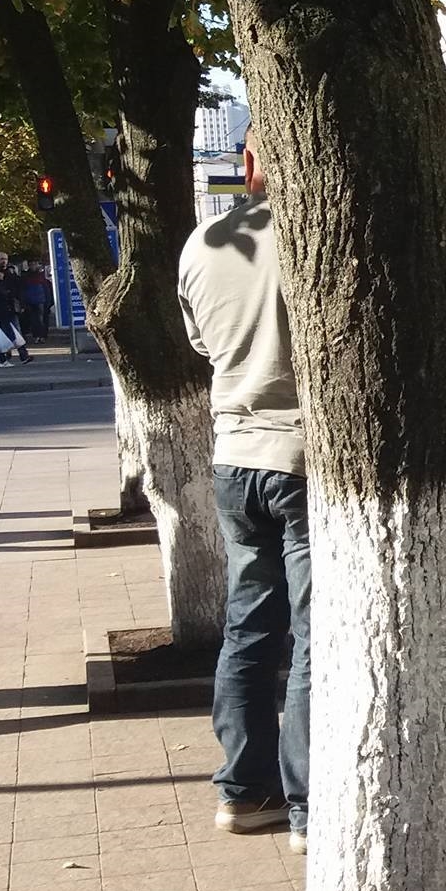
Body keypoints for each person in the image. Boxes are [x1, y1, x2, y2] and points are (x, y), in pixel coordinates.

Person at [177, 134, 310, 854]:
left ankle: (243, 791)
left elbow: (201, 344)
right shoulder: (316, 237)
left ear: (251, 166)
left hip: (234, 455)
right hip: (303, 457)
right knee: (315, 636)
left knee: (249, 630)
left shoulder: (204, 243)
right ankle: (310, 805)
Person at [0, 268, 33, 365]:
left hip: (5, 313)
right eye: (1, 273)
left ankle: (19, 356)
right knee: (4, 336)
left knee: (10, 335)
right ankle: (3, 357)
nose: (3, 275)